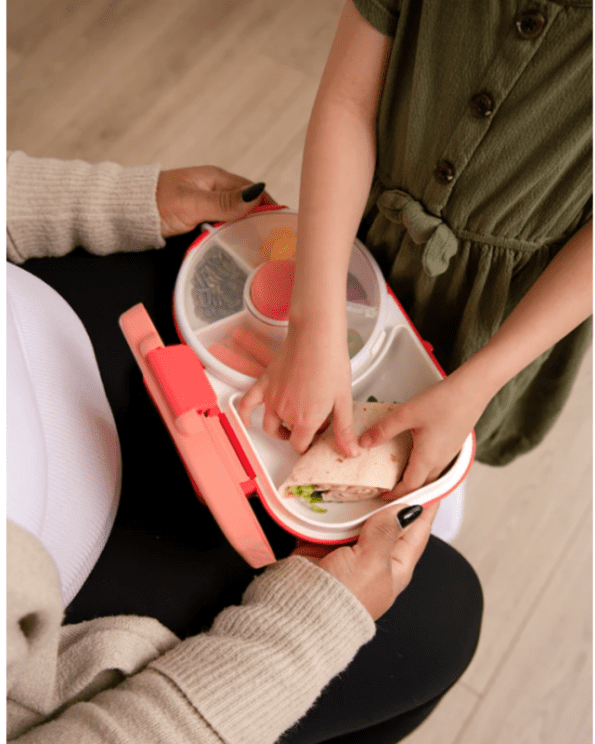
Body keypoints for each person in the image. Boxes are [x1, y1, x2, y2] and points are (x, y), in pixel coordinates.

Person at [6, 150, 483, 743]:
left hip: (42, 315)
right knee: (439, 616)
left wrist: (70, 201)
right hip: (68, 597)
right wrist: (305, 629)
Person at [238, 0, 593, 501]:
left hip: (511, 314)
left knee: (426, 464)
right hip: (359, 233)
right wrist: (314, 322)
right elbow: (347, 102)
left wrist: (475, 385)